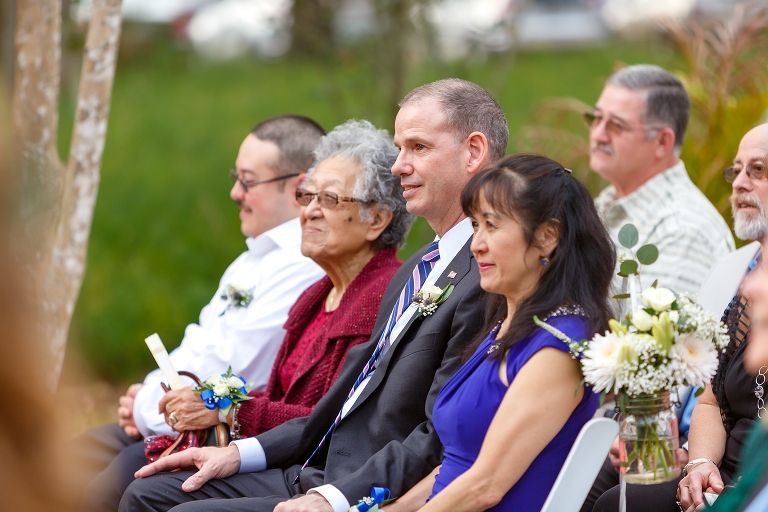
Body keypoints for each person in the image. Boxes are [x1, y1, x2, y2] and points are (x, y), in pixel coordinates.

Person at [118, 78, 508, 512]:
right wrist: (239, 452)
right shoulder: (417, 270)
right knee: (146, 492)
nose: (399, 166)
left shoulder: (485, 277)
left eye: (417, 147)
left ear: (473, 152)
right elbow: (337, 406)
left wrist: (331, 498)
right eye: (399, 149)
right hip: (311, 469)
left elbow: (439, 435)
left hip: (368, 489)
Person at [71, 116, 326, 507]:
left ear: (300, 186)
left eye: (248, 180)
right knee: (71, 456)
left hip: (219, 433)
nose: (234, 193)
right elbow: (200, 338)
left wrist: (145, 409)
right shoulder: (251, 258)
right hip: (168, 416)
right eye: (235, 177)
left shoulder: (302, 266)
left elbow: (238, 370)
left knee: (103, 489)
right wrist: (147, 397)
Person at [381, 154, 615, 511]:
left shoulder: (557, 346)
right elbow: (456, 468)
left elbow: (485, 487)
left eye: (491, 225)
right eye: (475, 225)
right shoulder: (506, 327)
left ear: (547, 236)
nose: (476, 244)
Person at [158, 119, 413, 439]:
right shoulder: (317, 298)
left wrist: (228, 410)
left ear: (376, 219)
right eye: (308, 196)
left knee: (144, 488)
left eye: (330, 199)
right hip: (275, 459)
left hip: (314, 477)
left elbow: (334, 424)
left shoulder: (382, 298)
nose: (309, 211)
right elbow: (280, 400)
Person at [584, 124, 768, 512]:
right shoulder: (734, 273)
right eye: (736, 171)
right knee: (606, 487)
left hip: (754, 487)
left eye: (759, 170)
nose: (739, 183)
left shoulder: (692, 235)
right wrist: (701, 464)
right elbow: (709, 401)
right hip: (716, 469)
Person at [588, 64, 734, 296]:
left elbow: (657, 332)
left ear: (662, 142)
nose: (597, 134)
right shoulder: (603, 203)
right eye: (595, 118)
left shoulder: (683, 230)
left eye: (616, 125)